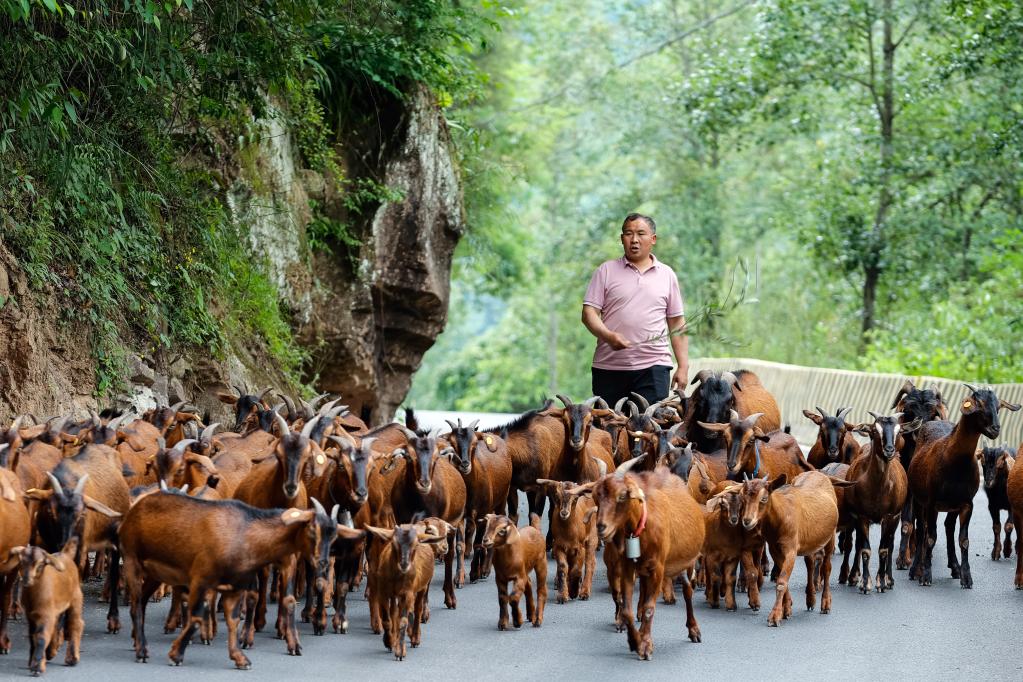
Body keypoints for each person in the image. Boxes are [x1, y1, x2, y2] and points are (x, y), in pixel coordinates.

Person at [581, 213, 688, 409]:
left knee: (650, 430)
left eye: (641, 234)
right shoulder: (605, 271)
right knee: (609, 430)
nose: (635, 240)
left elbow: (677, 323)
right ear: (622, 239)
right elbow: (588, 314)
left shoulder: (667, 275)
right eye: (629, 234)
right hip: (609, 366)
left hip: (654, 367)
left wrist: (683, 366)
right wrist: (609, 336)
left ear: (653, 239)